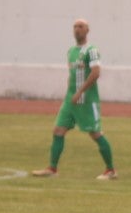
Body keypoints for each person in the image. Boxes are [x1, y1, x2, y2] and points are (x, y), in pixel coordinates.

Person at [31, 19, 117, 180]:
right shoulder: (71, 51)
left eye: (81, 27)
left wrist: (80, 91)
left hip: (86, 100)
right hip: (71, 100)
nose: (77, 30)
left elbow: (96, 73)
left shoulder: (91, 50)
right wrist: (71, 93)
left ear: (87, 30)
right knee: (58, 130)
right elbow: (72, 75)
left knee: (95, 133)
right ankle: (52, 169)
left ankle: (111, 170)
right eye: (75, 27)